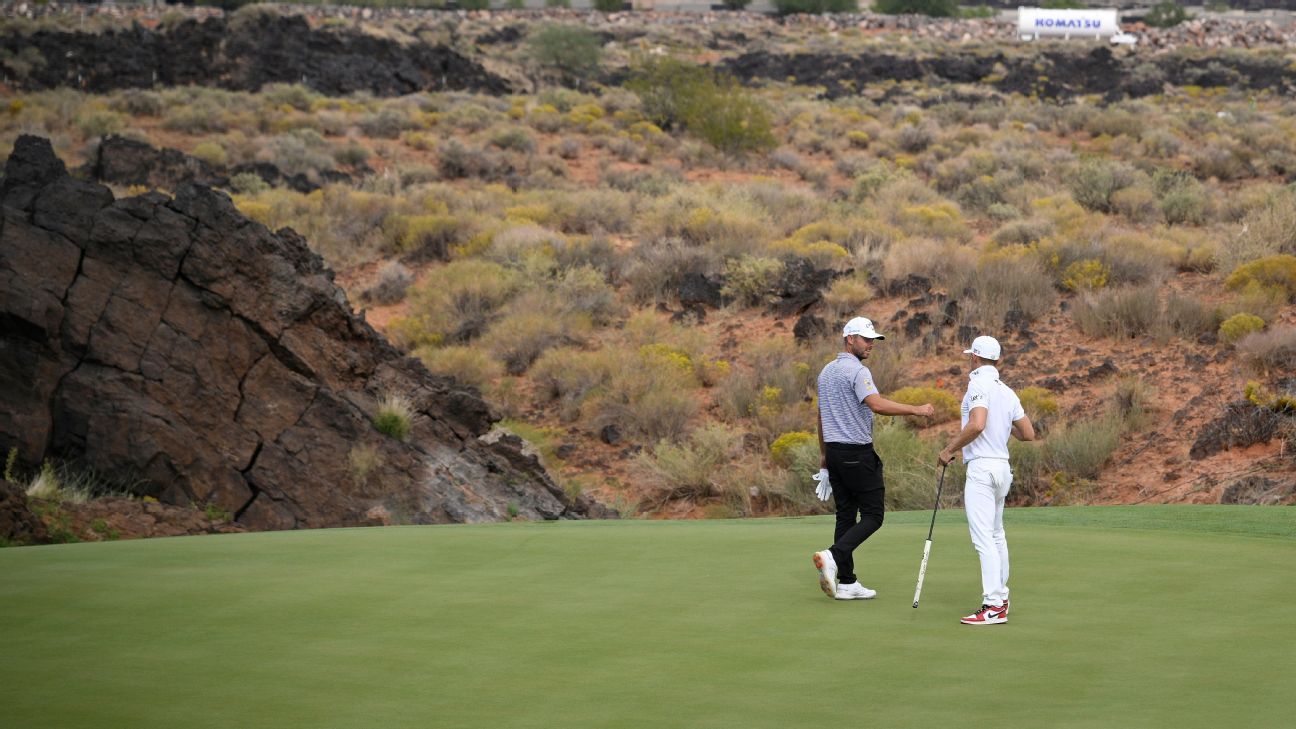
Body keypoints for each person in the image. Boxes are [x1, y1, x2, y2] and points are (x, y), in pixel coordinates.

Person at [812, 317, 935, 601]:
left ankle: (847, 581)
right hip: (857, 453)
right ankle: (833, 555)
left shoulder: (826, 372)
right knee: (874, 516)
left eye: (873, 340)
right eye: (866, 339)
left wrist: (823, 456)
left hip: (834, 453)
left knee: (845, 515)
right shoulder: (858, 371)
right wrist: (916, 409)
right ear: (849, 339)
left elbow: (821, 417)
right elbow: (876, 404)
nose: (870, 344)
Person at [938, 335, 1035, 626]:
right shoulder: (1006, 390)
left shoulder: (977, 383)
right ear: (997, 359)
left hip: (982, 468)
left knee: (984, 539)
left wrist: (949, 449)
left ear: (975, 358)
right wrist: (1003, 428)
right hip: (1002, 467)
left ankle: (993, 605)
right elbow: (1028, 433)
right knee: (996, 535)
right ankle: (1001, 599)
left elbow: (977, 423)